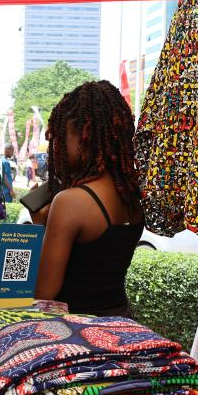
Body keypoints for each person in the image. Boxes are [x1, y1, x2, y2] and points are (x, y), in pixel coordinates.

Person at [31, 81, 144, 317]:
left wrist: (40, 226)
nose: (54, 148)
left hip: (78, 330)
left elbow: (43, 293)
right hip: (122, 323)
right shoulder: (131, 195)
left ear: (85, 137)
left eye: (60, 137)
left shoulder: (70, 202)